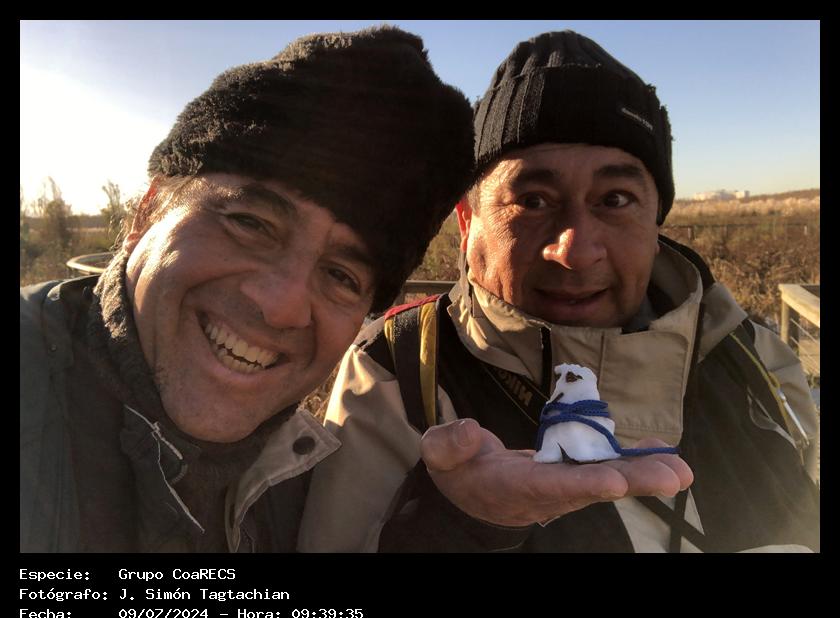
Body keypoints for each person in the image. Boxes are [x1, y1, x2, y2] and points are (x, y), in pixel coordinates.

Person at [298, 30, 820, 553]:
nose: (575, 251)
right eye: (532, 201)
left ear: (654, 222)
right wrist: (465, 527)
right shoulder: (400, 371)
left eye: (615, 199)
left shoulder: (748, 353)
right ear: (467, 221)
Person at [19, 26, 476, 552]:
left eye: (341, 276)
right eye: (250, 223)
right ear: (148, 212)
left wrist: (475, 522)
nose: (281, 306)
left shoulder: (296, 485)